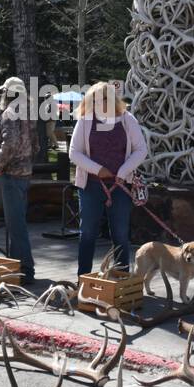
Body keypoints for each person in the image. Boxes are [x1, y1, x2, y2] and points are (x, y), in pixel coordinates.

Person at [69, 81, 148, 276]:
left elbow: (141, 150)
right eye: (93, 99)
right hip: (90, 186)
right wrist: (97, 169)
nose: (96, 103)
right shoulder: (85, 120)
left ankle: (121, 282)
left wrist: (122, 173)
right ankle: (83, 279)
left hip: (120, 186)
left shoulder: (127, 119)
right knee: (87, 234)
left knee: (120, 235)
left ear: (111, 99)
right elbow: (74, 152)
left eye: (101, 99)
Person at [0, 76, 39, 285]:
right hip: (24, 174)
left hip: (11, 175)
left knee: (15, 224)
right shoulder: (29, 114)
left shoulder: (10, 114)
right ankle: (17, 266)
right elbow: (36, 146)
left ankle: (24, 270)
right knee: (18, 222)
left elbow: (8, 143)